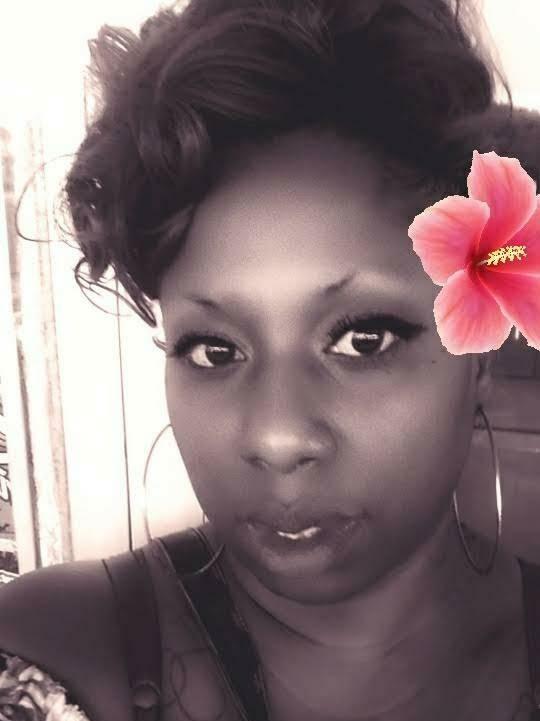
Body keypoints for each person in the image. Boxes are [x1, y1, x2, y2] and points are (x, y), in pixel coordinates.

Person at [0, 1, 540, 720]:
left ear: (479, 353)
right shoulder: (49, 656)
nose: (277, 437)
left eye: (363, 339)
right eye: (214, 349)